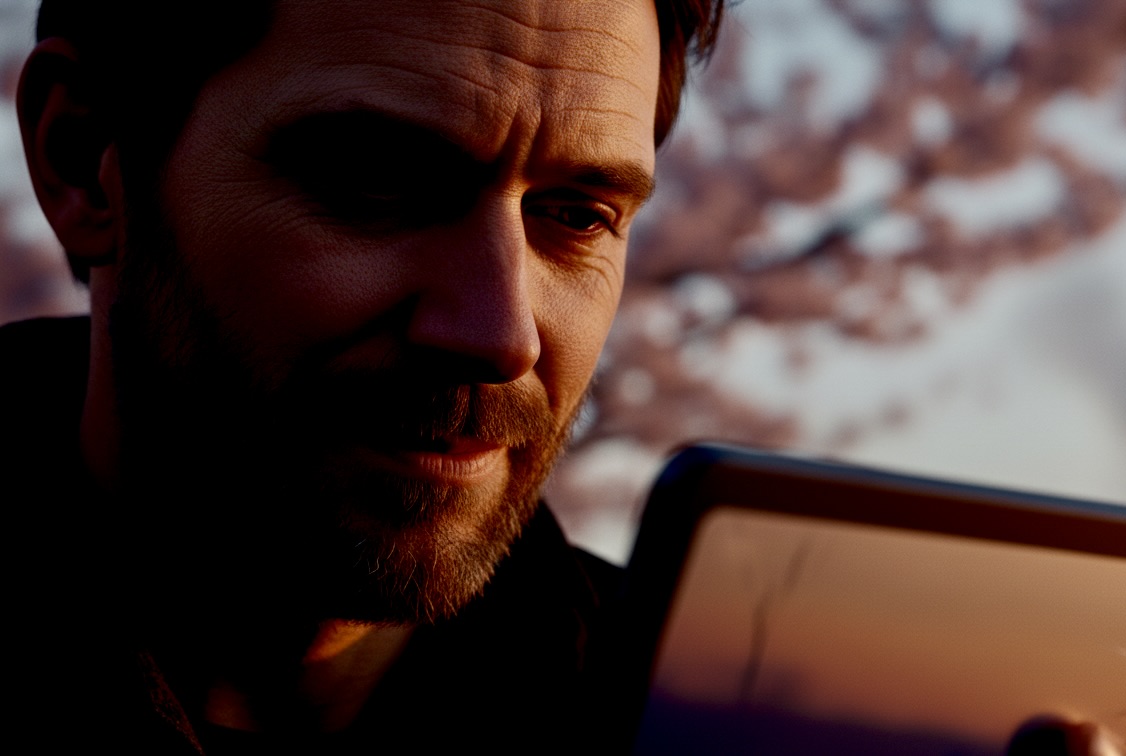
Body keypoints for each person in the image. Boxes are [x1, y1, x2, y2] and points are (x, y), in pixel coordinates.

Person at [5, 0, 722, 752]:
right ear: (82, 160)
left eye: (577, 216)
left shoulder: (698, 720)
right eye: (376, 179)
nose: (500, 337)